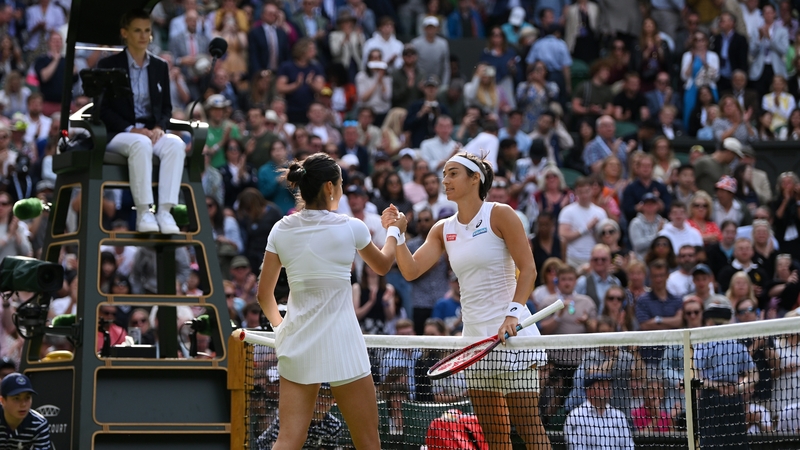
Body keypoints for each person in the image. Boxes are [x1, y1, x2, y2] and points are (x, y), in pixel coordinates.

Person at [383, 152, 550, 449]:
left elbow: (529, 269)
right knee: (496, 438)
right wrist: (396, 232)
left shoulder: (501, 214)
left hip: (512, 334)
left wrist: (512, 315)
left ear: (476, 178)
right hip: (474, 340)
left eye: (453, 173)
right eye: (444, 174)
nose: (444, 180)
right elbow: (410, 270)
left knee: (529, 430)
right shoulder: (442, 229)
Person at [257, 153, 403, 450]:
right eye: (339, 183)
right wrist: (394, 229)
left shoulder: (280, 230)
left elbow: (264, 295)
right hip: (344, 345)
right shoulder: (352, 227)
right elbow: (384, 264)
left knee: (287, 440)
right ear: (329, 187)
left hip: (298, 343)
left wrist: (281, 328)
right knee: (368, 442)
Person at [97, 9, 186, 234]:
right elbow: (102, 110)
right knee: (141, 143)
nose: (143, 35)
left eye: (147, 30)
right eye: (137, 30)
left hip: (149, 131)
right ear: (124, 33)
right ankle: (144, 212)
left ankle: (165, 212)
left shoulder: (160, 66)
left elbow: (166, 108)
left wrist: (158, 127)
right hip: (118, 133)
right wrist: (131, 129)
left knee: (176, 144)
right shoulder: (108, 65)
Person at [563, 373, 635, 450]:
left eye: (609, 385)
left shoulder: (619, 416)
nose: (607, 389)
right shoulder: (576, 416)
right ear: (589, 390)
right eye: (602, 385)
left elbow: (629, 447)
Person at [0, 372, 51, 449]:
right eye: (16, 398)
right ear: (3, 401)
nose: (23, 404)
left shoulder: (39, 424)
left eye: (27, 398)